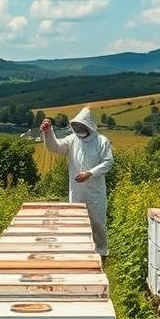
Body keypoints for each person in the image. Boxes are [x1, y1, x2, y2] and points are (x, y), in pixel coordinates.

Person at [41, 107, 114, 256]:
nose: (78, 129)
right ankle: (78, 252)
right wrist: (48, 132)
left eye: (81, 126)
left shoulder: (102, 141)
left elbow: (108, 162)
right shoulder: (72, 140)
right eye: (76, 126)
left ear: (88, 126)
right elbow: (56, 147)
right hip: (77, 191)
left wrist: (90, 173)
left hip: (95, 192)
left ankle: (101, 252)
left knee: (97, 223)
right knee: (75, 222)